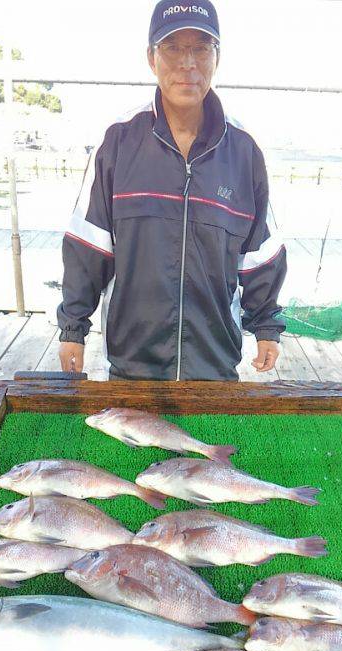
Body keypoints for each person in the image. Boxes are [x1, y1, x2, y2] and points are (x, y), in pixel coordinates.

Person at [58, 0, 287, 380]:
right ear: (151, 57)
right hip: (132, 363)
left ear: (217, 57)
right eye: (172, 47)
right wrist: (73, 328)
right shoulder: (118, 142)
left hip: (215, 363)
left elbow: (260, 253)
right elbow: (88, 244)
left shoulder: (245, 152)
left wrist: (266, 327)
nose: (187, 63)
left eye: (200, 47)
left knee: (217, 443)